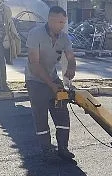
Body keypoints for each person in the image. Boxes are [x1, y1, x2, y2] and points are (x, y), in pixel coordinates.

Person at [25, 6, 77, 161]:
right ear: (50, 19)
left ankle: (63, 148)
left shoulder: (64, 38)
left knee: (62, 113)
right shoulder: (35, 34)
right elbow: (34, 64)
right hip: (35, 80)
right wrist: (51, 85)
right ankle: (47, 150)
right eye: (58, 21)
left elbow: (71, 57)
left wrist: (71, 68)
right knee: (41, 117)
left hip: (53, 79)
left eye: (63, 22)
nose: (60, 25)